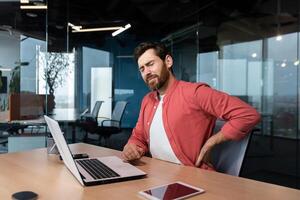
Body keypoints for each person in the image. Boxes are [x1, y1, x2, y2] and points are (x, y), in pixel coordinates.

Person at [121, 41, 260, 170]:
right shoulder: (148, 100)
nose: (147, 72)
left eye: (150, 64)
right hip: (158, 173)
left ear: (168, 61)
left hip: (192, 177)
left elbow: (248, 114)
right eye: (142, 69)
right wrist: (131, 147)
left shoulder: (195, 93)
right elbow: (138, 137)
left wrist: (212, 141)